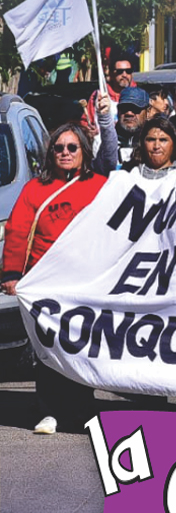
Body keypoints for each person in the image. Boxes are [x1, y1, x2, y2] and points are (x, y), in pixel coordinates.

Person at [1, 124, 108, 431]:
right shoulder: (35, 189)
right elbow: (18, 230)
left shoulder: (100, 186)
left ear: (83, 153)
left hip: (85, 282)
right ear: (50, 154)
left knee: (81, 347)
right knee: (46, 349)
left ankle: (83, 409)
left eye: (72, 148)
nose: (65, 153)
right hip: (44, 281)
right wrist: (12, 273)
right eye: (58, 148)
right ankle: (48, 409)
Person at [123, 116, 176, 181]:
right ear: (142, 143)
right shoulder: (129, 171)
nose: (156, 146)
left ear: (174, 143)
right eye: (151, 140)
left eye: (163, 140)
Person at [114, 86, 150, 164]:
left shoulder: (158, 139)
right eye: (124, 108)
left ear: (148, 112)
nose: (129, 113)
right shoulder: (103, 141)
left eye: (135, 108)